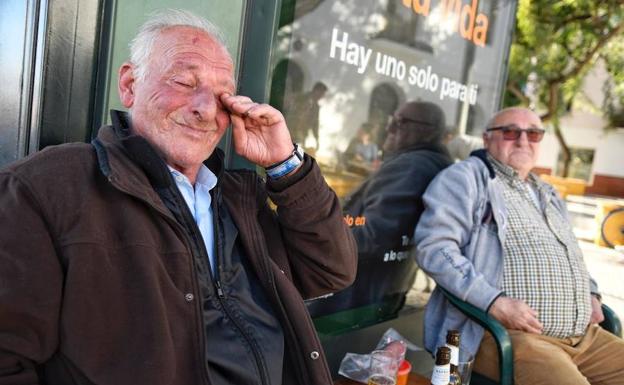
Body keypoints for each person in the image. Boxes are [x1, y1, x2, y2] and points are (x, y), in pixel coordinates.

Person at [0, 10, 356, 385]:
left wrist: (286, 166)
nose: (205, 109)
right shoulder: (48, 186)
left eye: (223, 95)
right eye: (185, 82)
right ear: (130, 84)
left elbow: (331, 271)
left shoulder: (238, 197)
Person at [414, 107, 624, 385]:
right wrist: (494, 302)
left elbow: (569, 252)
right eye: (511, 132)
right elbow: (434, 248)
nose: (524, 141)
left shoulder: (546, 192)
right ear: (487, 139)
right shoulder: (465, 179)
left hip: (584, 338)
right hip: (502, 336)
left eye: (534, 134)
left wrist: (591, 292)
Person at [308, 101, 451, 316]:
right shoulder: (432, 163)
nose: (389, 127)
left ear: (429, 130)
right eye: (392, 120)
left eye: (399, 122)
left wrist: (311, 236)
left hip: (350, 298)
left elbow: (372, 238)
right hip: (378, 294)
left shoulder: (410, 167)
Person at [285, 81, 328, 150]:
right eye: (321, 93)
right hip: (289, 131)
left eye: (323, 94)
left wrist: (316, 138)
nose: (322, 96)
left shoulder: (316, 107)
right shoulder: (301, 97)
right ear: (316, 90)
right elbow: (287, 104)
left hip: (300, 135)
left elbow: (315, 124)